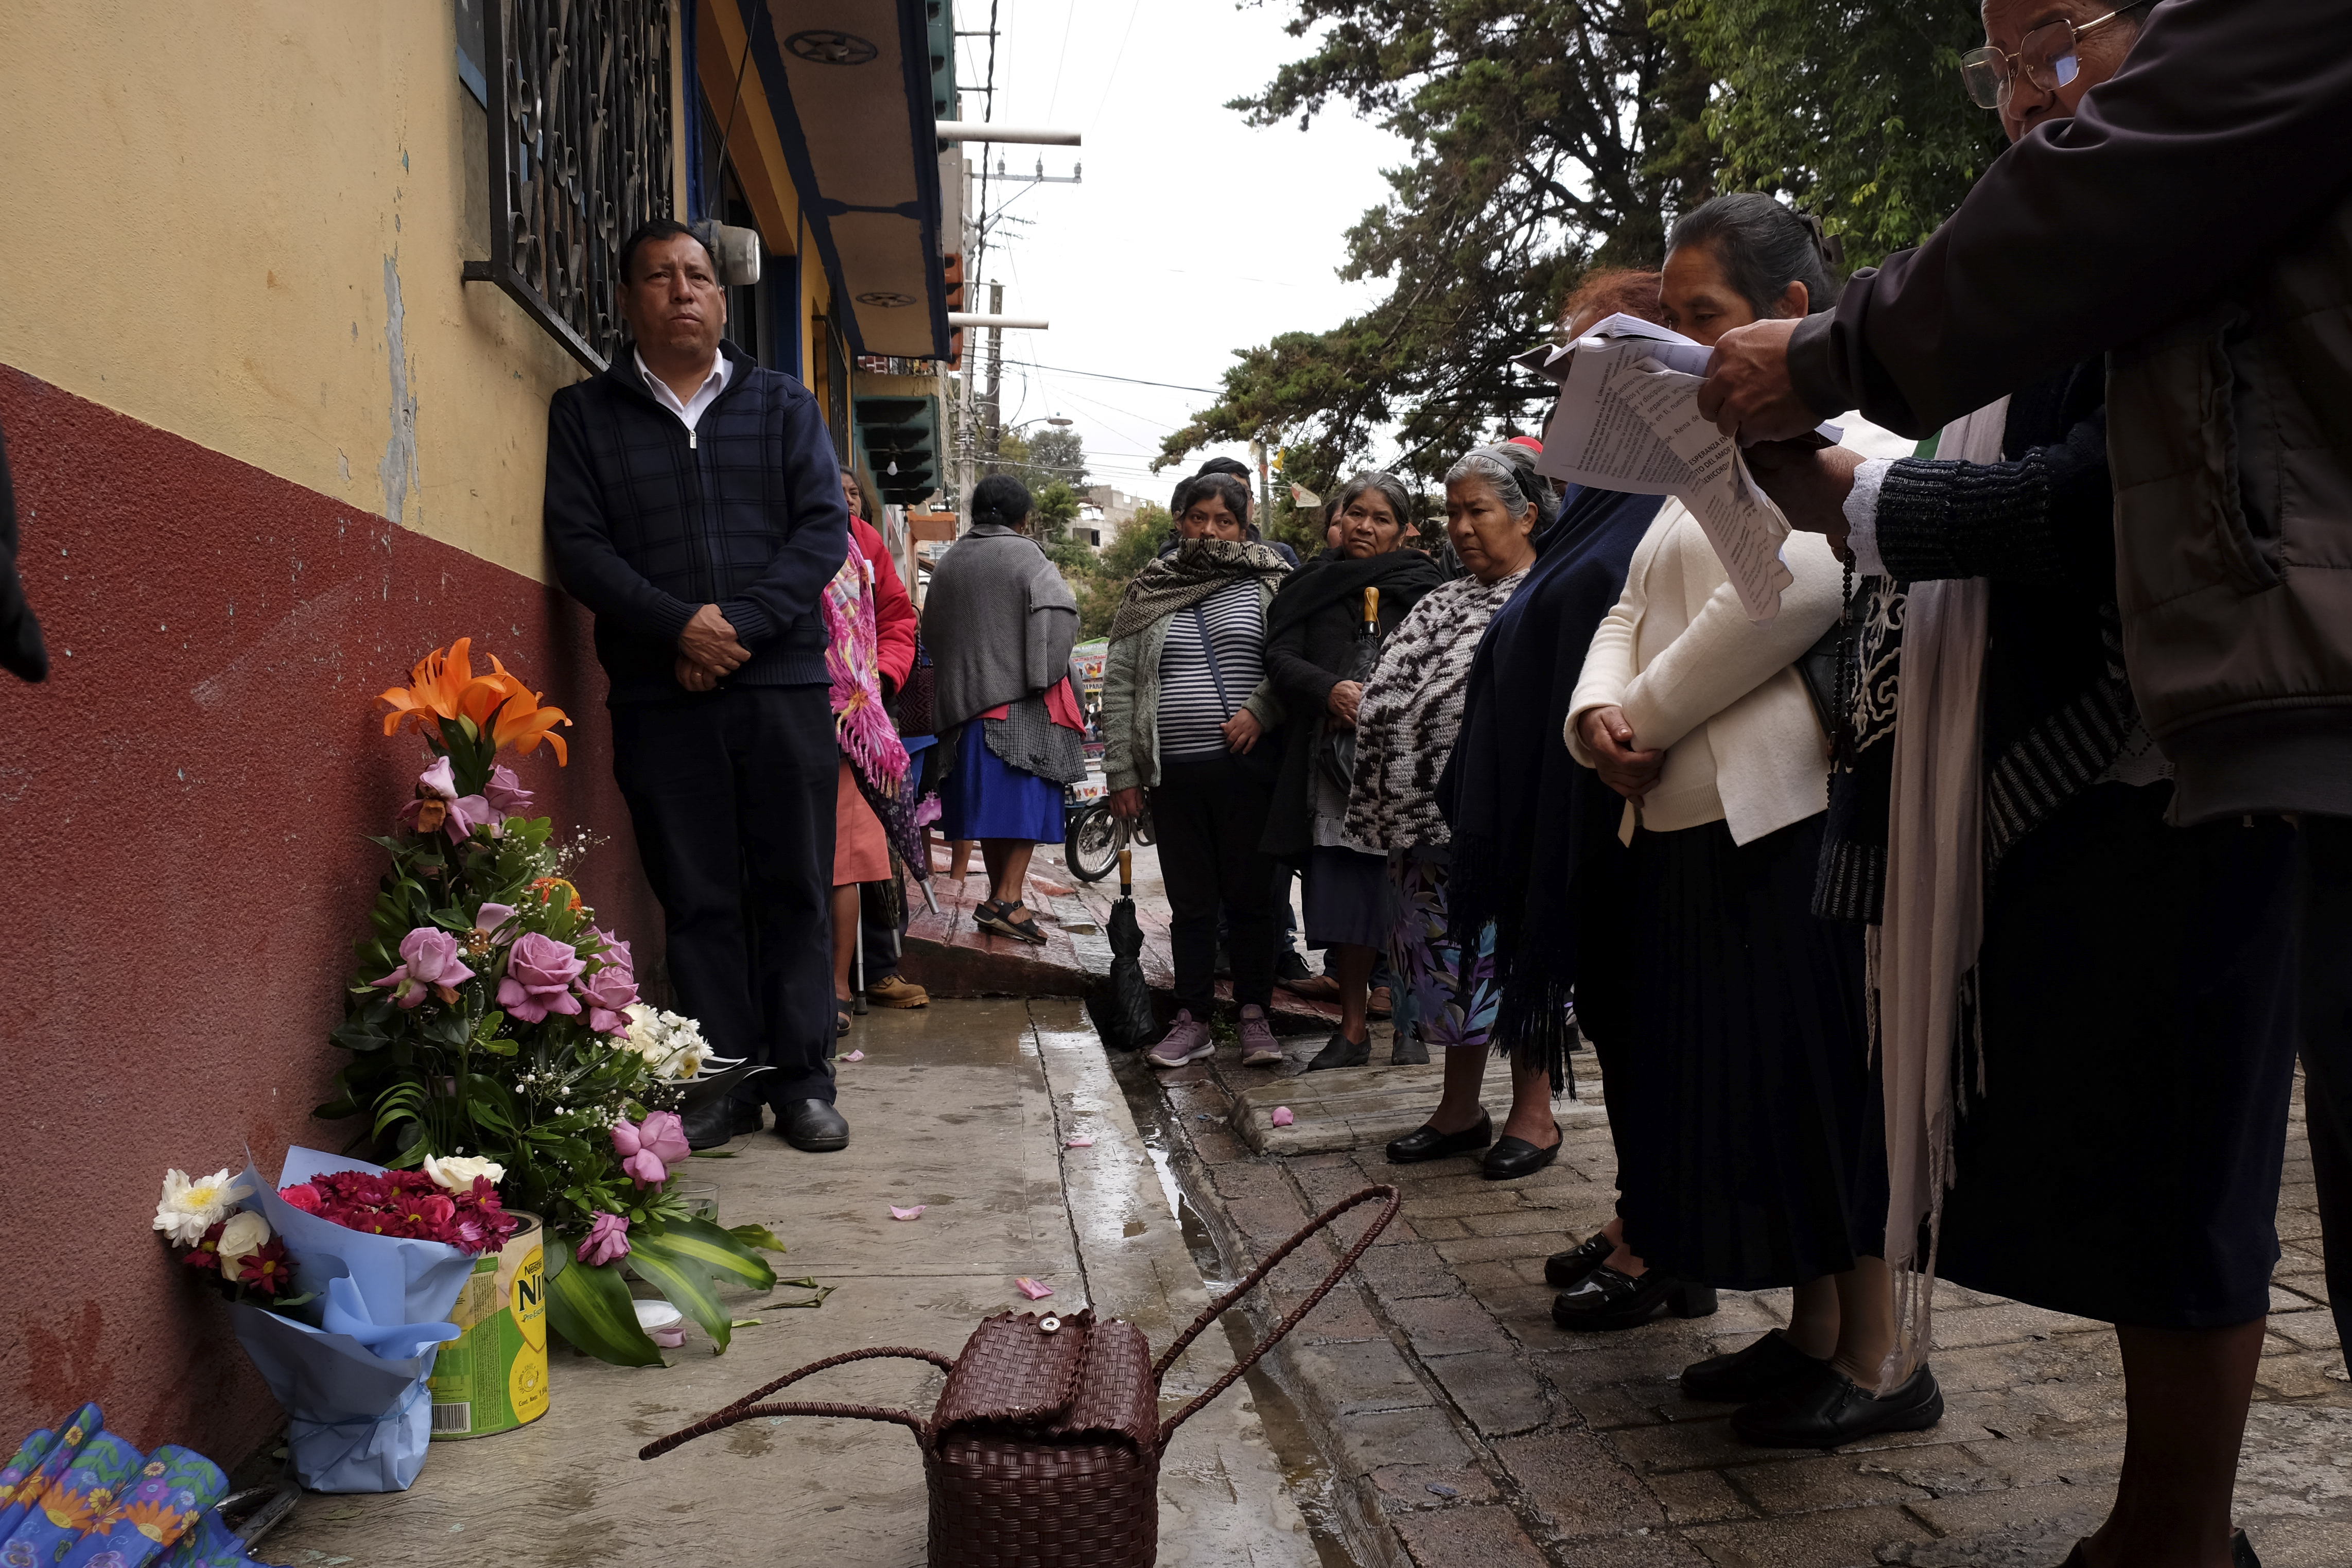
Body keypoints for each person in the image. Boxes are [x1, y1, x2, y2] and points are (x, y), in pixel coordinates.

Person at [1741, 10, 2302, 1562]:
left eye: (2063, 39)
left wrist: (1870, 493)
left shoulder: (2218, 206)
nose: (2032, 90)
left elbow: (2116, 498)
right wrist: (1863, 492)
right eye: (2000, 64)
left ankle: (2176, 1526)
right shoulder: (2058, 264)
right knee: (2134, 1158)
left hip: (2214, 754)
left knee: (2193, 1165)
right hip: (2120, 784)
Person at [1555, 196, 1924, 1451]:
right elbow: (1625, 606)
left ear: (1787, 315)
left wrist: (1641, 713)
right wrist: (1595, 714)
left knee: (1822, 1087)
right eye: (1668, 321)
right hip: (1682, 812)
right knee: (1760, 1090)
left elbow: (1798, 589)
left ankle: (1880, 1358)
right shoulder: (1694, 456)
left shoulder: (1854, 433)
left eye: (1699, 319)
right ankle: (1814, 1334)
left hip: (1785, 815)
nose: (1679, 346)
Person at [543, 217, 850, 1154]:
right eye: (659, 277)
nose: (682, 291)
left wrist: (736, 629)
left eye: (699, 276)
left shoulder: (784, 405)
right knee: (698, 891)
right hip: (657, 693)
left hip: (782, 685)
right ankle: (720, 1079)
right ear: (627, 300)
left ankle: (802, 1080)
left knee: (792, 883)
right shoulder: (584, 416)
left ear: (723, 298)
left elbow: (821, 532)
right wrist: (677, 626)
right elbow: (580, 546)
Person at [1346, 443, 1561, 1178]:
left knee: (1520, 962)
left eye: (1479, 510)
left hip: (1516, 824)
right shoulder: (1443, 598)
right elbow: (1384, 695)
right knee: (1449, 967)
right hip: (1427, 827)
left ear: (1526, 513)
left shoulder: (1551, 591)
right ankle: (1459, 1110)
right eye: (1453, 512)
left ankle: (1536, 1115)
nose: (1461, 527)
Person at [1100, 473, 1291, 1069]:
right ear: (1180, 520)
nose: (1210, 529)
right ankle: (1194, 1019)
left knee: (1255, 899)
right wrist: (1122, 773)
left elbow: (1295, 661)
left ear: (1244, 523)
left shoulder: (1271, 582)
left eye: (1224, 520)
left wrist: (1261, 710)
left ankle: (1256, 1015)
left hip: (1250, 771)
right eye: (1198, 517)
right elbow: (1123, 683)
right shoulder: (1150, 588)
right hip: (1174, 776)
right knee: (1192, 903)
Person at [1261, 472, 1443, 1070]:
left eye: (1381, 517)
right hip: (1332, 771)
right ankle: (1354, 1027)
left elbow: (1444, 671)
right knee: (1345, 894)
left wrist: (1384, 705)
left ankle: (1412, 1023)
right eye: (1357, 513)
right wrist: (1329, 690)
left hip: (1408, 771)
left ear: (1402, 529)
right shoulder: (1309, 586)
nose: (1365, 526)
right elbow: (1280, 658)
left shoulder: (1427, 590)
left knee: (1408, 892)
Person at [922, 475, 1086, 945]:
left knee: (992, 813)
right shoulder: (1029, 556)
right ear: (1023, 519)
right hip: (1020, 707)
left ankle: (1001, 899)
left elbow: (931, 633)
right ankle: (1008, 900)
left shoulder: (949, 562)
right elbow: (1057, 626)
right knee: (1025, 806)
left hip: (962, 713)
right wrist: (1039, 676)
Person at [829, 467, 928, 1022]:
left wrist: (883, 678)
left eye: (851, 493)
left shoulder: (866, 545)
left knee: (875, 848)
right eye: (833, 488)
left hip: (864, 716)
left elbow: (895, 619)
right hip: (805, 708)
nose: (842, 499)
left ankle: (876, 967)